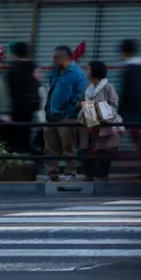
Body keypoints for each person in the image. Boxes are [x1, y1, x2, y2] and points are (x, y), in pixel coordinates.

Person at [43, 46, 89, 182]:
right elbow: (50, 89)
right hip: (51, 115)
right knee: (50, 147)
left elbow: (80, 95)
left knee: (68, 146)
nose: (53, 60)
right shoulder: (56, 72)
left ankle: (70, 172)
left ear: (64, 57)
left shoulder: (77, 73)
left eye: (56, 57)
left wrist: (70, 111)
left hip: (66, 116)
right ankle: (52, 173)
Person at [80, 61, 122, 181]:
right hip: (90, 123)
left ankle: (101, 175)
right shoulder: (87, 88)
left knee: (104, 152)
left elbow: (114, 105)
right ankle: (89, 174)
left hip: (104, 126)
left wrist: (99, 110)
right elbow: (83, 102)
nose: (85, 72)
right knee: (86, 151)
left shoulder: (108, 87)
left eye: (87, 70)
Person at [117, 39, 141, 159]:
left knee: (139, 140)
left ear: (125, 52)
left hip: (133, 112)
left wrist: (120, 110)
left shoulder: (130, 69)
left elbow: (130, 92)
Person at [5, 43, 41, 155]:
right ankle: (26, 149)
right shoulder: (33, 66)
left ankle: (16, 152)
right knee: (26, 129)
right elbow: (37, 83)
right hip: (30, 105)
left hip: (16, 105)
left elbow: (10, 88)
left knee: (15, 131)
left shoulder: (13, 68)